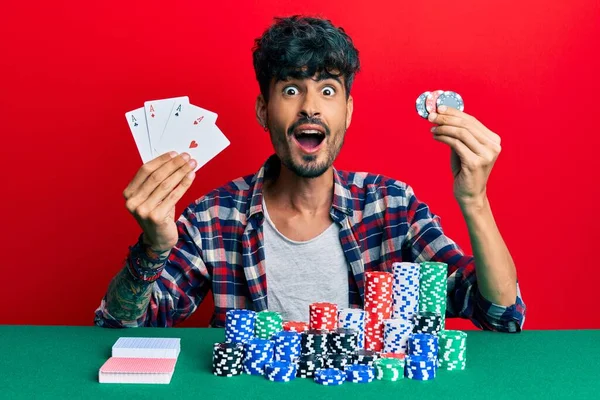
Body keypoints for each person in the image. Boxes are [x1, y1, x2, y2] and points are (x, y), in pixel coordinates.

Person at [95, 15, 526, 333]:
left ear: (348, 111)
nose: (310, 107)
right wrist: (153, 247)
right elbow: (120, 325)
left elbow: (500, 314)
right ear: (264, 111)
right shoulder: (213, 218)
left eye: (327, 90)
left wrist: (476, 202)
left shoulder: (392, 207)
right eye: (289, 89)